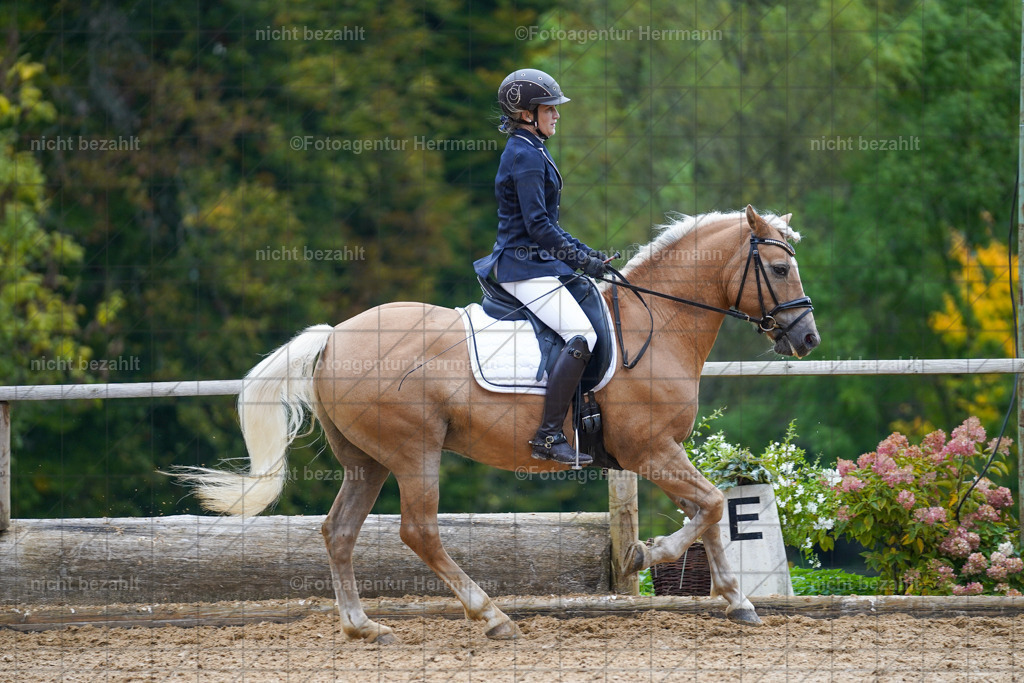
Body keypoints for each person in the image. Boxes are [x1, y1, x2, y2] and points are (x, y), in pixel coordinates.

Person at [473, 68, 608, 466]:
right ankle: (548, 435)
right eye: (550, 108)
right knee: (582, 335)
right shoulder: (524, 155)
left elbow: (551, 225)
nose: (557, 115)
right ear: (527, 113)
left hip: (538, 263)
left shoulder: (531, 148)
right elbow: (538, 227)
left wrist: (591, 257)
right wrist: (581, 260)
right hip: (522, 267)